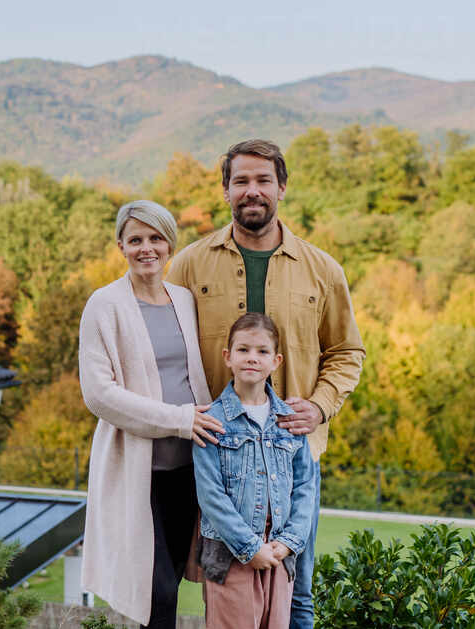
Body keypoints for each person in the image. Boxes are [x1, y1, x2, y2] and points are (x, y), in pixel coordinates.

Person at [167, 139, 365, 629]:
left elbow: (347, 352)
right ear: (226, 190)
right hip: (211, 455)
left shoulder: (323, 270)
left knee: (297, 596)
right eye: (241, 181)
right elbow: (168, 351)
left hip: (293, 458)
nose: (251, 191)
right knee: (217, 590)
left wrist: (320, 406)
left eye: (262, 180)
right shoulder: (190, 264)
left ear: (282, 187)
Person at [78, 200, 224, 628]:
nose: (147, 248)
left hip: (190, 468)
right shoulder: (104, 305)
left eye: (156, 238)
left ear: (169, 245)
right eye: (136, 239)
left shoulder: (184, 300)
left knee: (171, 583)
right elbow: (99, 395)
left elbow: (197, 375)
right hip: (139, 472)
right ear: (121, 246)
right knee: (154, 590)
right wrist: (180, 419)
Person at [194, 313, 315, 629]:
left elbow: (305, 487)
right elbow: (210, 495)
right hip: (231, 553)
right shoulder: (212, 420)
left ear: (276, 361)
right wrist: (250, 548)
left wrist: (288, 542)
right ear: (227, 357)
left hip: (278, 552)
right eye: (243, 350)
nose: (252, 358)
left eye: (262, 351)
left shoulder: (289, 421)